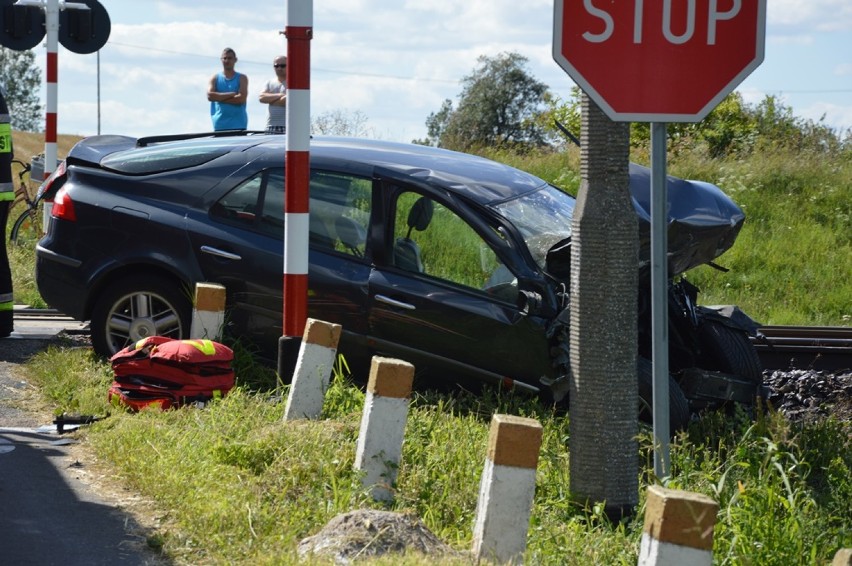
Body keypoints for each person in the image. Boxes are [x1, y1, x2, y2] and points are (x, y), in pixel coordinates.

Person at [207, 47, 248, 131]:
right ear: (221, 60)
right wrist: (231, 94)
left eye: (229, 58)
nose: (227, 61)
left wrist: (219, 98)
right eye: (224, 58)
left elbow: (241, 99)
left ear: (235, 60)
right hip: (220, 125)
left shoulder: (242, 78)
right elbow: (210, 96)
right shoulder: (215, 78)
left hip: (238, 125)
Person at [259, 55, 287, 134]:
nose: (279, 68)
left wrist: (270, 100)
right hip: (270, 126)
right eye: (276, 66)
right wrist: (280, 95)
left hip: (287, 126)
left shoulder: (293, 83)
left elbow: (288, 100)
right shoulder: (269, 82)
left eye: (282, 66)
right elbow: (261, 97)